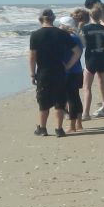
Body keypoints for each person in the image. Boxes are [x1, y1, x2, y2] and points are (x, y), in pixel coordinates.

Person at [28, 8, 80, 137]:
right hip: (59, 71)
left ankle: (42, 128)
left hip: (43, 72)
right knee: (59, 101)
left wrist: (32, 74)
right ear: (53, 19)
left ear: (40, 19)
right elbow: (77, 51)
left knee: (43, 101)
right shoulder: (62, 34)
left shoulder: (35, 35)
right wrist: (68, 66)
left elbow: (32, 56)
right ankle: (59, 129)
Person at [73, 7, 104, 119]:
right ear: (100, 16)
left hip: (91, 58)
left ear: (90, 16)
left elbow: (83, 44)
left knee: (87, 87)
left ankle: (86, 112)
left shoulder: (85, 29)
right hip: (103, 57)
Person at [56, 16, 85, 133]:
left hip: (70, 72)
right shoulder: (77, 37)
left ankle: (72, 125)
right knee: (75, 97)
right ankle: (79, 123)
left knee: (71, 98)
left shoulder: (69, 38)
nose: (59, 27)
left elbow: (76, 53)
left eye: (60, 25)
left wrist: (67, 65)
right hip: (77, 71)